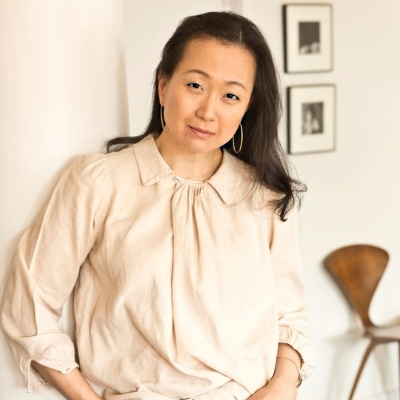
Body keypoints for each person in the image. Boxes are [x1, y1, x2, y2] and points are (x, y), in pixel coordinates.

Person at [1, 11, 315, 400]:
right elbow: (27, 308)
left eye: (231, 95)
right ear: (164, 86)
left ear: (248, 107)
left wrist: (283, 386)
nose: (208, 111)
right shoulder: (98, 181)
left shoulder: (265, 198)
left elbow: (290, 317)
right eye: (196, 85)